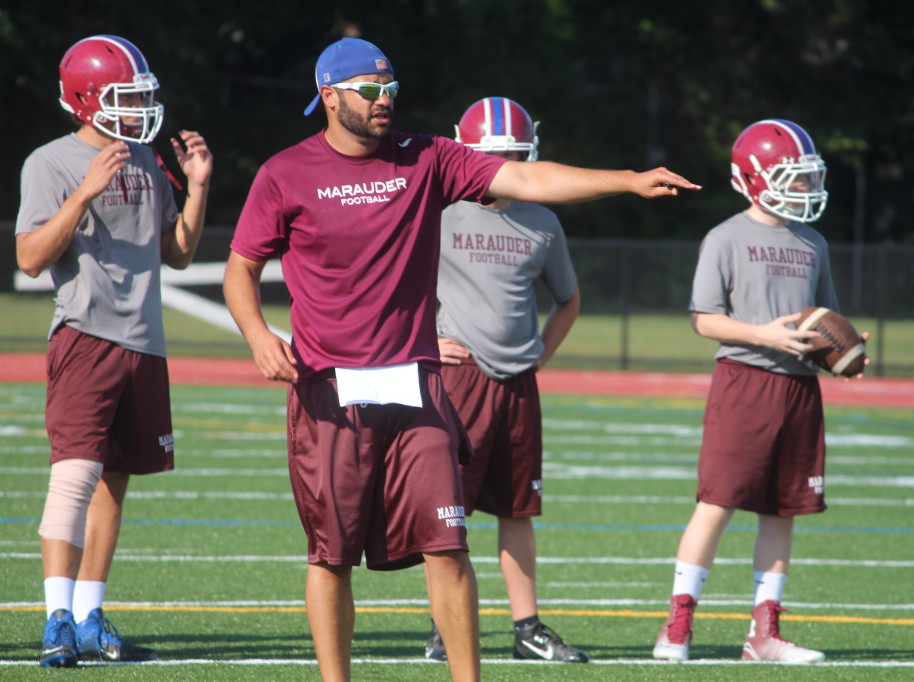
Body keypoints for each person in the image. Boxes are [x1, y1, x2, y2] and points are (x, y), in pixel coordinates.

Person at [222, 37, 697, 682]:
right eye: (369, 89)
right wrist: (257, 335)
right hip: (330, 392)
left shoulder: (429, 158)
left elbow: (527, 177)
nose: (384, 100)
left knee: (448, 546)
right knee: (330, 555)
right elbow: (241, 270)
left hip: (417, 387)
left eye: (390, 88)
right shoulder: (284, 173)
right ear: (330, 96)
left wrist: (626, 181)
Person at [15, 35, 213, 667]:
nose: (139, 108)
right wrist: (82, 194)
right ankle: (55, 619)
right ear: (87, 100)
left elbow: (176, 253)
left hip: (144, 342)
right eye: (126, 97)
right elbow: (28, 258)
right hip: (86, 335)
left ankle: (91, 613)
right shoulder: (50, 162)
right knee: (73, 477)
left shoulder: (147, 159)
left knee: (115, 484)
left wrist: (200, 188)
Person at [652, 119, 865, 664]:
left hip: (800, 390)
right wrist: (761, 334)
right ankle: (677, 625)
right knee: (716, 504)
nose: (803, 189)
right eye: (792, 179)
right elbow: (704, 320)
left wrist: (845, 351)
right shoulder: (725, 237)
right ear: (754, 178)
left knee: (782, 511)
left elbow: (824, 321)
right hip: (745, 382)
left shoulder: (812, 241)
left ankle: (763, 634)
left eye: (806, 179)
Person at [421, 97, 587, 664]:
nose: (505, 167)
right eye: (496, 157)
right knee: (450, 512)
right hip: (457, 380)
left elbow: (568, 300)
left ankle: (527, 628)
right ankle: (448, 626)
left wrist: (541, 352)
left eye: (516, 156)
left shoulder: (544, 219)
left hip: (518, 383)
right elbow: (398, 285)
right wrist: (423, 342)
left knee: (518, 510)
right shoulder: (437, 209)